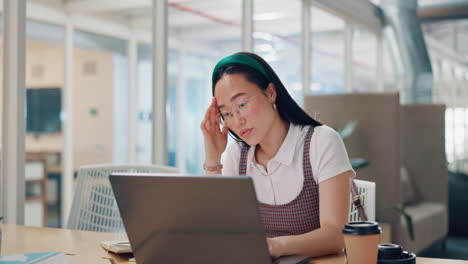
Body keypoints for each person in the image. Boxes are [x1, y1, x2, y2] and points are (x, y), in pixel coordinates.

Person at [200, 52, 355, 258]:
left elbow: (336, 235)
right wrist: (213, 159)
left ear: (271, 92)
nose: (237, 120)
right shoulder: (238, 154)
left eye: (242, 104)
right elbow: (221, 230)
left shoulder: (321, 142)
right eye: (226, 113)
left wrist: (274, 246)